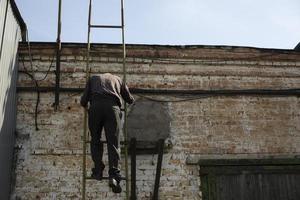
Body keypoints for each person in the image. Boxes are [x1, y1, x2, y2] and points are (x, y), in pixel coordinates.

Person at [80, 73, 134, 193]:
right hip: (113, 108)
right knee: (113, 142)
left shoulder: (93, 78)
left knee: (95, 139)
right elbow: (129, 99)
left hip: (95, 107)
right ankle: (114, 176)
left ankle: (98, 170)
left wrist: (87, 105)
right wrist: (128, 98)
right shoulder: (118, 79)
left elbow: (83, 100)